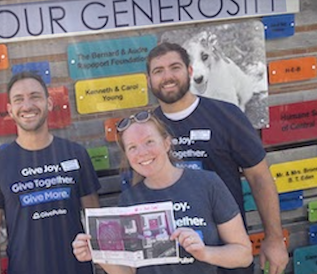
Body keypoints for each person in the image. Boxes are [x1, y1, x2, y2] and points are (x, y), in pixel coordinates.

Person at [146, 43, 288, 274]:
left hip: (228, 257)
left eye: (175, 67)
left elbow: (259, 177)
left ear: (190, 71)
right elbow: (138, 188)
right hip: (170, 263)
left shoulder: (227, 115)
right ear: (149, 80)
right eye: (158, 71)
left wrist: (273, 238)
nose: (167, 76)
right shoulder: (146, 127)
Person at [72, 110, 252, 274]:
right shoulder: (129, 200)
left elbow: (243, 255)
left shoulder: (207, 183)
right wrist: (97, 254)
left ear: (166, 143)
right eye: (132, 147)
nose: (142, 152)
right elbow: (129, 272)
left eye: (149, 141)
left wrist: (204, 252)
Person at [0, 71, 100, 274]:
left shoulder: (76, 154)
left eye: (35, 96)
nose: (27, 106)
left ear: (49, 103)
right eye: (19, 99)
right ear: (10, 110)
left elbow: (95, 218)